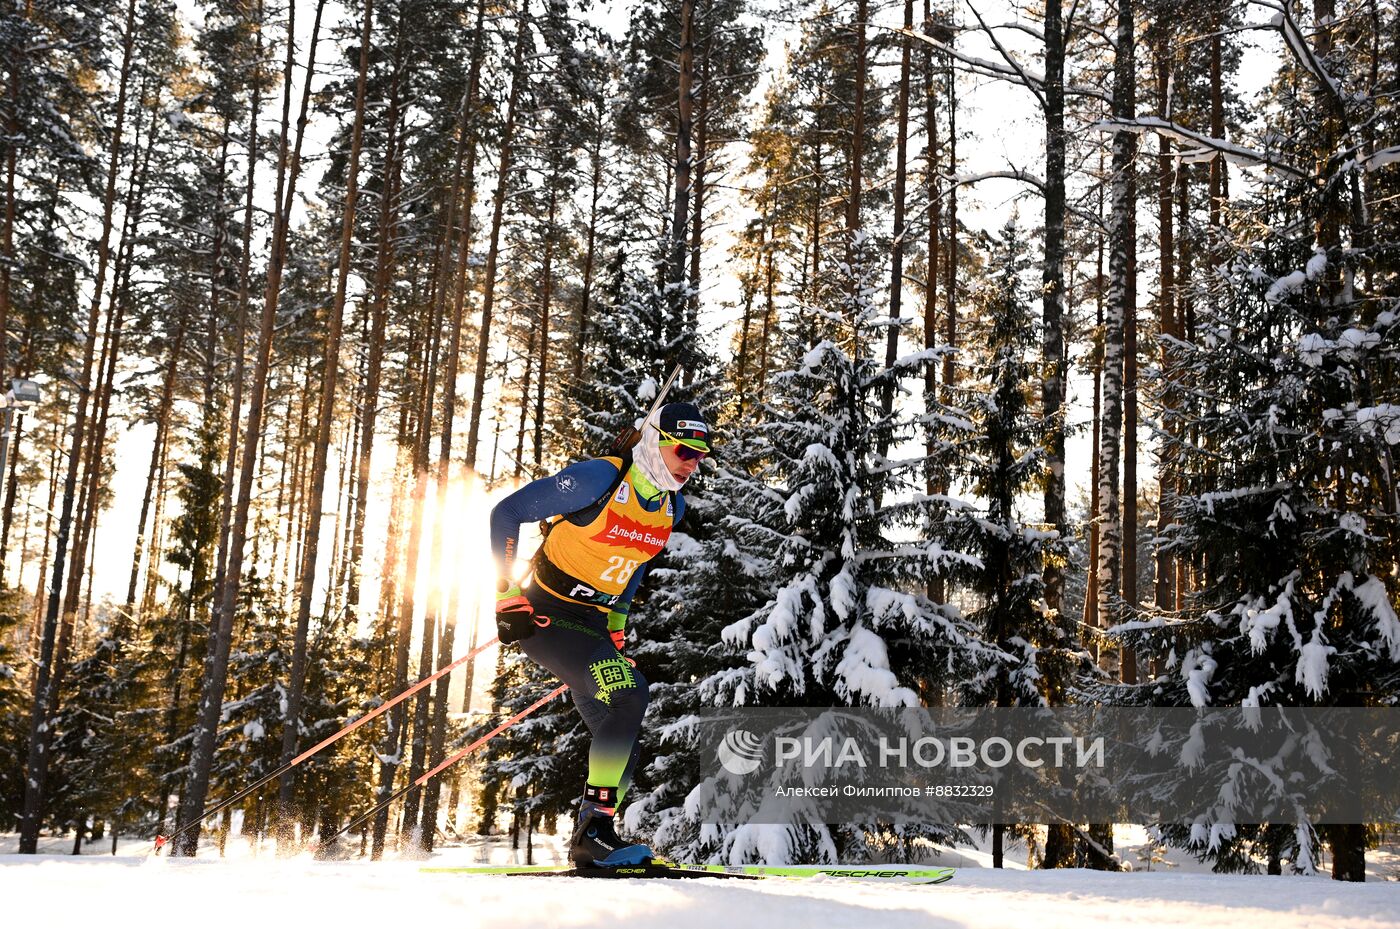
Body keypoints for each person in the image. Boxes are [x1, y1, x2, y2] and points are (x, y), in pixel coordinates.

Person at [489, 401, 710, 868]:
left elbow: (633, 565)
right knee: (631, 695)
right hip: (546, 614)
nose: (693, 463)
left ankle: (592, 842)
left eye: (700, 454)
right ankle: (594, 832)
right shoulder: (601, 478)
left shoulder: (673, 505)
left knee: (621, 746)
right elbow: (506, 513)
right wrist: (506, 592)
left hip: (591, 626)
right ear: (656, 442)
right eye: (685, 450)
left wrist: (615, 628)